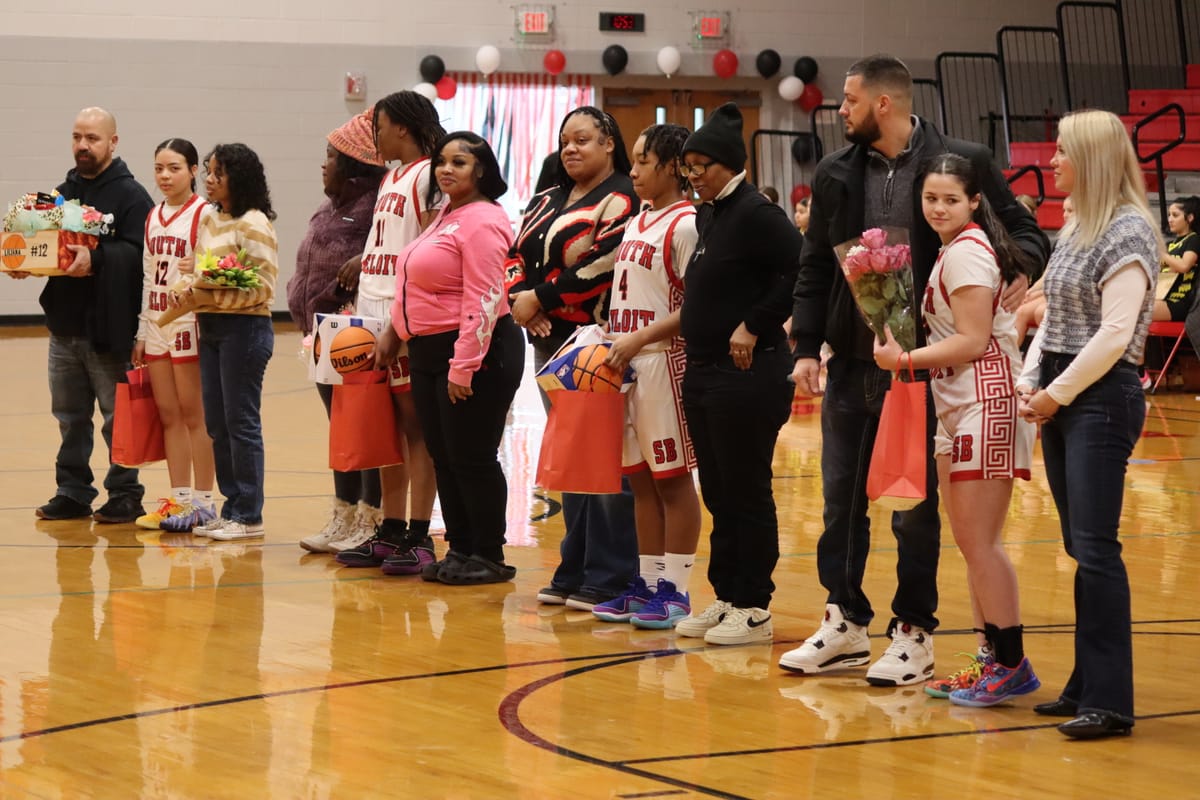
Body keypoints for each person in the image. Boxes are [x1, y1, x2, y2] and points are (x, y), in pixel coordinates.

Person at [785, 55, 1050, 685]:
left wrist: (1020, 267)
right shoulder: (833, 171)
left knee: (917, 508)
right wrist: (803, 346)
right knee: (839, 499)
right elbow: (816, 264)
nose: (839, 110)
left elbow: (1023, 226)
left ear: (882, 104)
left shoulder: (961, 158)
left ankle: (913, 630)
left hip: (931, 368)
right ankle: (844, 620)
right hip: (856, 360)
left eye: (849, 100)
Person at [872, 153, 1039, 706]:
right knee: (972, 544)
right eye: (930, 198)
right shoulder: (952, 250)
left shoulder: (967, 253)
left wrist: (903, 360)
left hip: (983, 400)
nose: (938, 207)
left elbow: (971, 341)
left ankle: (1011, 662)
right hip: (957, 402)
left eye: (950, 199)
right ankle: (989, 658)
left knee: (980, 542)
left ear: (974, 202)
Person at [1017, 109, 1160, 739]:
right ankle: (1084, 686)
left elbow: (1115, 335)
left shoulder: (1128, 231)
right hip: (1065, 392)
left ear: (1092, 159)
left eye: (1062, 152)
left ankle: (1111, 702)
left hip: (1101, 398)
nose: (1052, 162)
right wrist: (1029, 380)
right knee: (1081, 548)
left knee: (1097, 550)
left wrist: (1054, 394)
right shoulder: (1077, 224)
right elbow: (1048, 314)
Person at [670, 103, 802, 646]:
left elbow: (802, 270)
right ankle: (726, 596)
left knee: (747, 489)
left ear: (729, 163)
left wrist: (755, 323)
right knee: (719, 491)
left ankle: (755, 606)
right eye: (688, 165)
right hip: (704, 374)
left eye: (703, 164)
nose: (694, 174)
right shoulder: (709, 215)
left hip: (748, 375)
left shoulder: (757, 213)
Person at [504, 106, 639, 611]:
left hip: (597, 343)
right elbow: (513, 255)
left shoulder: (623, 197)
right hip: (547, 342)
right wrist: (524, 304)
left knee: (604, 460)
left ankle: (609, 572)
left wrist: (539, 297)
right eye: (565, 141)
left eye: (583, 139)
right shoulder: (546, 198)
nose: (571, 148)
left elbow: (603, 264)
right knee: (570, 457)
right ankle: (574, 564)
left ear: (609, 143)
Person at [384, 131, 525, 584]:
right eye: (442, 161)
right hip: (428, 349)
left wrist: (463, 365)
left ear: (481, 171)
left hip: (475, 350)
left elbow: (485, 296)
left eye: (459, 163)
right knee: (445, 454)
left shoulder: (483, 219)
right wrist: (395, 332)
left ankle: (489, 554)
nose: (446, 169)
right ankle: (461, 547)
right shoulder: (448, 214)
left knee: (472, 455)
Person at [19, 107, 154, 523]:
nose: (82, 145)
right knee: (70, 418)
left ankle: (125, 493)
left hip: (109, 328)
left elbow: (141, 257)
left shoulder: (133, 197)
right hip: (65, 327)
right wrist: (25, 259)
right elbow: (42, 245)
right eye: (77, 137)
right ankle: (73, 492)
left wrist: (96, 258)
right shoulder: (60, 195)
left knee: (118, 419)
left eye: (92, 138)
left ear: (113, 142)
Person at [590, 124, 701, 629]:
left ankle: (676, 591)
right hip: (625, 362)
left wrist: (638, 338)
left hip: (662, 362)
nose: (632, 170)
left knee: (673, 481)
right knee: (638, 482)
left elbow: (698, 307)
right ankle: (648, 582)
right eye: (631, 160)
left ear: (673, 167)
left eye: (642, 161)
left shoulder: (688, 223)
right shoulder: (640, 221)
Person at [331, 91, 443, 574]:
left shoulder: (429, 175)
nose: (374, 134)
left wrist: (398, 323)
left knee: (416, 429)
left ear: (402, 127)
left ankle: (420, 534)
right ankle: (391, 527)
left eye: (379, 125)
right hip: (372, 312)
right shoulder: (392, 176)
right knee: (387, 431)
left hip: (405, 320)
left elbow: (428, 254)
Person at [288, 111, 389, 553]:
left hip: (357, 335)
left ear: (353, 166)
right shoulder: (328, 207)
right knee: (341, 431)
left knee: (363, 430)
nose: (323, 165)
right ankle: (342, 515)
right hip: (320, 335)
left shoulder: (377, 206)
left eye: (330, 157)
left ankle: (370, 519)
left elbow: (394, 252)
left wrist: (365, 261)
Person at [177, 143, 279, 541]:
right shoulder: (211, 220)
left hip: (245, 329)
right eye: (209, 171)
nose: (210, 179)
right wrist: (189, 287)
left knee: (241, 421)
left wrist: (214, 283)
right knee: (217, 422)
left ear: (239, 177)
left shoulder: (254, 222)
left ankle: (249, 514)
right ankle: (231, 505)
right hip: (212, 327)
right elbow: (200, 268)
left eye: (218, 173)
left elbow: (263, 286)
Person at [131, 138, 216, 532]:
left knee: (193, 414)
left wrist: (202, 263)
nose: (165, 176)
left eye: (174, 168)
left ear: (194, 171)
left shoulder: (205, 214)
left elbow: (224, 266)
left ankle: (204, 502)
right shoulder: (152, 215)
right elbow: (149, 277)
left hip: (188, 322)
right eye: (159, 168)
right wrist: (142, 331)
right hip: (157, 322)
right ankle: (178, 500)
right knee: (168, 414)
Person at [1152, 195, 1199, 323]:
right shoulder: (1169, 245)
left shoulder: (1194, 239)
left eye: (1175, 215)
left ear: (1189, 218)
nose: (1170, 219)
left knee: (1136, 310)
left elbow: (1184, 266)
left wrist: (1163, 255)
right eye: (1169, 215)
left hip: (1179, 301)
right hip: (1161, 296)